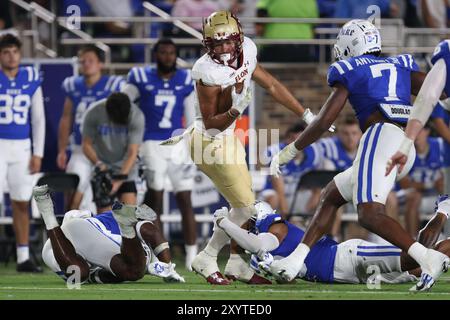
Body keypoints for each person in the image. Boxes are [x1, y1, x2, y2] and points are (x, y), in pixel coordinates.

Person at [269, 19, 449, 292]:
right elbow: (439, 90)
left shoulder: (350, 69)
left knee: (369, 214)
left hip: (380, 137)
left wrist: (290, 150)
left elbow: (323, 121)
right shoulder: (399, 65)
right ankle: (296, 259)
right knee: (331, 195)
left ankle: (426, 258)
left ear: (350, 45)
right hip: (403, 145)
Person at [161, 10, 333, 285]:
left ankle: (235, 263)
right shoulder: (206, 71)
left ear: (239, 38)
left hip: (227, 138)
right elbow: (213, 124)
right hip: (208, 140)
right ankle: (209, 258)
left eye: (228, 42)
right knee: (246, 206)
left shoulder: (249, 50)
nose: (224, 48)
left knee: (241, 206)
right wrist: (235, 110)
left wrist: (307, 115)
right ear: (208, 45)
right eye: (217, 44)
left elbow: (273, 85)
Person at [214, 199, 450, 285]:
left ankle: (444, 210)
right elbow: (292, 277)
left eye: (245, 223)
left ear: (256, 220)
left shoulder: (273, 229)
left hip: (348, 258)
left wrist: (225, 223)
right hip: (350, 276)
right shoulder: (262, 246)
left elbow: (258, 244)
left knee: (417, 256)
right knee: (419, 269)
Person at [122, 38, 198, 271]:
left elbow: (191, 117)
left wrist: (190, 144)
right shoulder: (141, 77)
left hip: (177, 144)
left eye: (171, 52)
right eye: (163, 52)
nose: (167, 56)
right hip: (151, 142)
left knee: (185, 200)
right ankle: (160, 255)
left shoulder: (185, 79)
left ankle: (192, 257)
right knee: (155, 199)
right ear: (156, 55)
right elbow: (123, 103)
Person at [34, 185, 184, 284]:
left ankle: (47, 212)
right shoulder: (135, 256)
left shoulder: (130, 239)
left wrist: (168, 268)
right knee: (80, 275)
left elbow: (150, 231)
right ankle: (47, 213)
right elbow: (149, 232)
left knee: (80, 274)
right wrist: (168, 269)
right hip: (79, 232)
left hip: (75, 232)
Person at [58, 45, 125, 210]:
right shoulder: (73, 85)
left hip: (104, 151)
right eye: (83, 61)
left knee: (104, 199)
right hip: (80, 150)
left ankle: (103, 235)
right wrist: (61, 149)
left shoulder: (113, 85)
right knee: (74, 196)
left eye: (91, 61)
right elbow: (66, 118)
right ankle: (71, 234)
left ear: (100, 64)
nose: (86, 64)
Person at [0, 34, 45, 272]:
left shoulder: (30, 77)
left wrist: (38, 152)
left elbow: (38, 119)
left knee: (21, 202)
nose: (11, 56)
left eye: (14, 52)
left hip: (21, 147)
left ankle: (23, 257)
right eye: (6, 52)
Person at [82, 92, 144, 212]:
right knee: (104, 221)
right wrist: (99, 164)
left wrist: (119, 179)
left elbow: (133, 151)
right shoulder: (93, 112)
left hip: (126, 168)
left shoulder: (136, 116)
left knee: (129, 217)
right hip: (102, 168)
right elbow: (86, 145)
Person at [260, 123, 323, 217]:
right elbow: (279, 189)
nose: (297, 145)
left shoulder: (314, 152)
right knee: (273, 197)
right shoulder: (276, 152)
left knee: (323, 194)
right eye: (293, 140)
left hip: (298, 194)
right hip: (276, 193)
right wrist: (288, 218)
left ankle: (308, 224)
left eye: (301, 140)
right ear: (287, 140)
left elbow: (316, 183)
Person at [398, 127, 444, 237]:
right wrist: (430, 184)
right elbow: (404, 183)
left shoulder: (440, 145)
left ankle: (444, 235)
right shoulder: (405, 149)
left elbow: (443, 181)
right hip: (408, 196)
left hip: (434, 196)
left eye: (420, 130)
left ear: (427, 130)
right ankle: (412, 241)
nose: (416, 134)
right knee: (415, 196)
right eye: (414, 130)